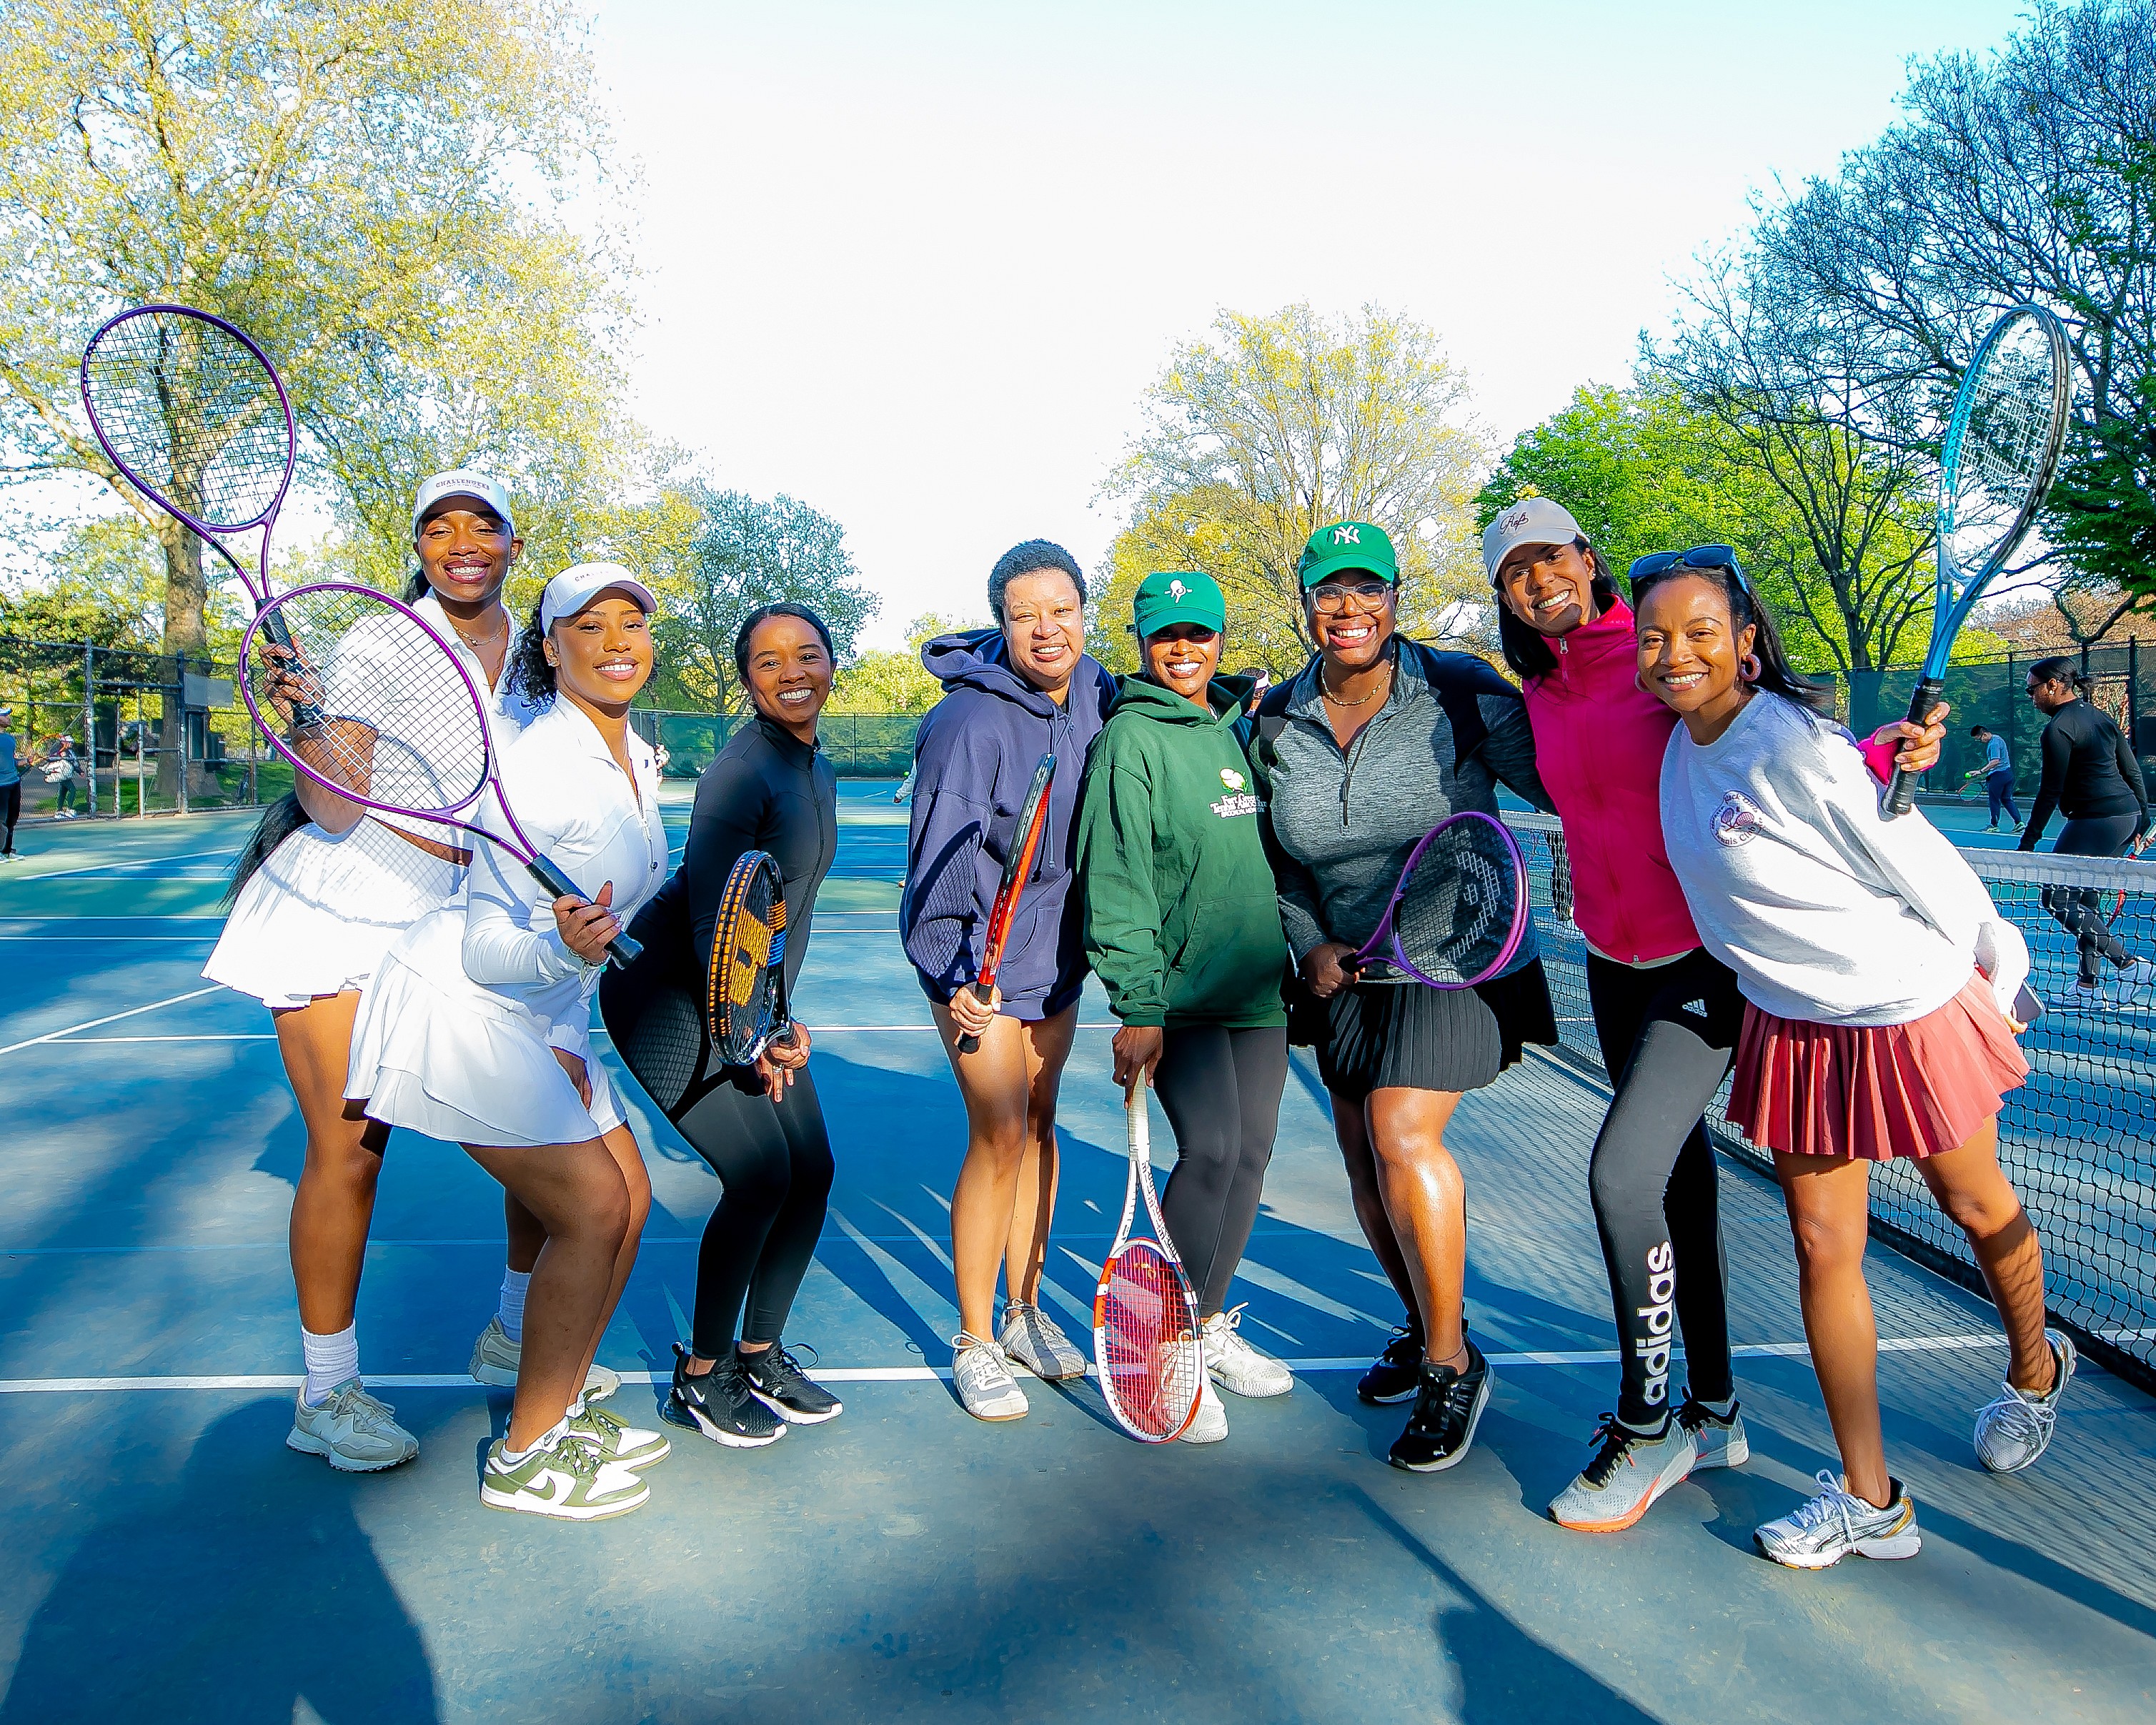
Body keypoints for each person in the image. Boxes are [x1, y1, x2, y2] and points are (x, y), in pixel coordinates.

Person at [1486, 509, 1947, 1532]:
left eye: (1551, 557)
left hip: (1705, 963)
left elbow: (1775, 732)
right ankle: (1716, 1406)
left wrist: (1879, 749)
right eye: (1514, 572)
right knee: (1670, 1175)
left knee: (1619, 1173)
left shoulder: (1656, 653)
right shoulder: (1538, 687)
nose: (1538, 580)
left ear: (1587, 558)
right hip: (1612, 961)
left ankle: (1650, 1426)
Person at [1639, 555, 2072, 1571]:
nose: (1676, 654)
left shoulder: (1796, 746)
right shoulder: (1677, 749)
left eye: (1702, 631)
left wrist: (1996, 958)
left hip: (1904, 1008)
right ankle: (1871, 1501)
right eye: (1657, 636)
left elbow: (1916, 855)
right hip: (1791, 1026)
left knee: (1975, 1205)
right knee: (1821, 1247)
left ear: (1747, 639)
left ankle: (2034, 1369)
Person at [201, 469, 550, 1471]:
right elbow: (338, 809)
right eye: (439, 529)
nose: (462, 542)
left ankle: (520, 1331)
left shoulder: (534, 652)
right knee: (350, 1151)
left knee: (539, 1120)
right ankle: (326, 1392)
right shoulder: (381, 639)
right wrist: (308, 721)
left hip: (463, 911)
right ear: (423, 548)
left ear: (513, 544)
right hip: (347, 902)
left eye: (483, 524)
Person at [347, 565, 672, 1519]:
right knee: (589, 1208)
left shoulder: (632, 756)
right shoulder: (531, 765)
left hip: (540, 1010)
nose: (617, 641)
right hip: (462, 1005)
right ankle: (525, 1456)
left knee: (630, 1198)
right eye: (590, 625)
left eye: (632, 623)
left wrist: (567, 1008)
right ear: (550, 647)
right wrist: (558, 954)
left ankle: (558, 1409)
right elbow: (492, 943)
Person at [1251, 520, 1557, 1474]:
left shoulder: (1461, 693)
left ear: (1396, 599)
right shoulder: (1269, 719)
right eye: (1329, 592)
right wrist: (1309, 943)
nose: (1349, 609)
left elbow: (1569, 775)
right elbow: (1272, 855)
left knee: (1399, 1136)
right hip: (1349, 969)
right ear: (1305, 605)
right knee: (1362, 1163)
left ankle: (1446, 1365)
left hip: (1457, 958)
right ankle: (1435, 1323)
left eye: (1367, 590)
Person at [602, 602, 844, 1449]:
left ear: (831, 664)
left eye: (806, 655)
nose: (791, 673)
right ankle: (702, 1373)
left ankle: (759, 1350)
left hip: (745, 999)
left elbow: (781, 915)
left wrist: (779, 1019)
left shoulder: (813, 765)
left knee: (810, 1168)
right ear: (746, 678)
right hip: (666, 996)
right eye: (769, 661)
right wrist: (748, 1037)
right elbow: (715, 921)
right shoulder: (739, 773)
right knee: (760, 1173)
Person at [1075, 570, 1294, 1445]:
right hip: (1181, 998)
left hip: (1258, 994)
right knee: (1207, 1152)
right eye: (1167, 636)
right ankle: (1160, 1346)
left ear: (1217, 641)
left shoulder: (1231, 729)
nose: (1183, 650)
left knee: (1251, 1155)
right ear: (1141, 644)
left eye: (1198, 635)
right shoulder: (1128, 739)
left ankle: (1202, 1323)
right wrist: (1139, 1004)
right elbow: (1116, 878)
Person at [903, 540, 1116, 1421]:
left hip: (1055, 957)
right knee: (995, 1132)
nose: (1045, 627)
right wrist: (949, 966)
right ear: (1000, 622)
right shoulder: (967, 724)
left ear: (1081, 612)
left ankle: (1025, 1311)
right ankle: (975, 1338)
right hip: (973, 965)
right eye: (1025, 612)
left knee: (1038, 1121)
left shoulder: (1099, 692)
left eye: (1060, 608)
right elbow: (936, 861)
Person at [2018, 656, 2154, 1004]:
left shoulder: (2059, 729)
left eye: (2032, 689)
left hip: (2097, 820)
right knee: (2086, 898)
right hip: (2123, 817)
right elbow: (2132, 770)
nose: (2030, 696)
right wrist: (2142, 817)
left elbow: (2051, 790)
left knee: (2057, 897)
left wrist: (2028, 842)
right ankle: (2087, 984)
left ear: (2052, 686)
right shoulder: (2100, 718)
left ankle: (2128, 964)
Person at [1965, 724, 2022, 832]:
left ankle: (1994, 825)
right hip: (2008, 774)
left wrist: (1980, 771)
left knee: (1994, 801)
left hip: (1999, 776)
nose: (1980, 741)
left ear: (1984, 734)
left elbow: (1995, 761)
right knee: (2006, 799)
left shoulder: (1993, 744)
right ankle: (2019, 823)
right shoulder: (1998, 738)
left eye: (1980, 739)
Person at [0, 705, 20, 859]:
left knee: (11, 819)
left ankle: (7, 850)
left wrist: (27, 761)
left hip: (14, 783)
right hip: (1, 785)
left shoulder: (10, 739)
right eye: (5, 715)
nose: (9, 718)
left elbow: (13, 761)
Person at [49, 737, 80, 818]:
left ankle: (59, 810)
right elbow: (52, 755)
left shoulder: (71, 751)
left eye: (72, 743)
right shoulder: (60, 750)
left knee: (63, 792)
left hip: (68, 775)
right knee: (72, 790)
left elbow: (74, 762)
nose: (71, 745)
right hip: (62, 774)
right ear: (65, 742)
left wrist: (80, 771)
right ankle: (69, 809)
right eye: (69, 743)